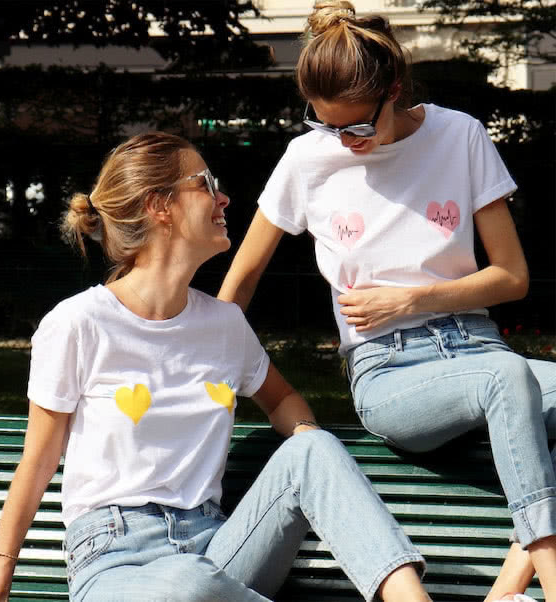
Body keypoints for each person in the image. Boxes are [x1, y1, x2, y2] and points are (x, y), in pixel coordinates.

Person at [0, 132, 434, 602]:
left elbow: (282, 399)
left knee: (311, 450)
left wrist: (303, 429)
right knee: (187, 587)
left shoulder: (224, 324)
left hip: (216, 550)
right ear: (159, 206)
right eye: (205, 183)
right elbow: (38, 460)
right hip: (115, 561)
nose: (223, 197)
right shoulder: (78, 324)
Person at [217, 2, 556, 601]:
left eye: (356, 127)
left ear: (393, 91)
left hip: (476, 347)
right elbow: (241, 280)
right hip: (391, 372)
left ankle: (508, 587)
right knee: (507, 376)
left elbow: (512, 277)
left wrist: (413, 298)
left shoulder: (460, 135)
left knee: (504, 373)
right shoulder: (306, 159)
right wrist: (198, 366)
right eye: (326, 126)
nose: (343, 144)